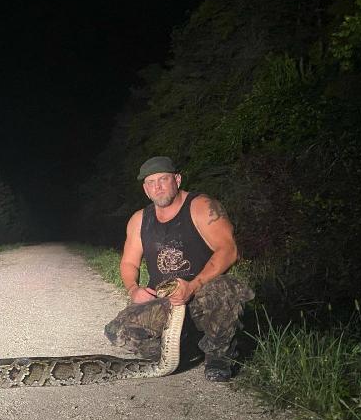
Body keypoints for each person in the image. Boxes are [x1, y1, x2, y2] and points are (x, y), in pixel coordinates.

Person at [104, 156, 254, 382]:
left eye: (163, 179)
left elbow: (229, 250)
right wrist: (133, 289)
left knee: (227, 289)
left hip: (201, 293)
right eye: (151, 182)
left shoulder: (202, 206)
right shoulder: (139, 220)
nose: (158, 187)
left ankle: (219, 354)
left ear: (177, 179)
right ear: (145, 189)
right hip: (165, 301)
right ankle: (185, 347)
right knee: (119, 332)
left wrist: (192, 286)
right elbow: (129, 263)